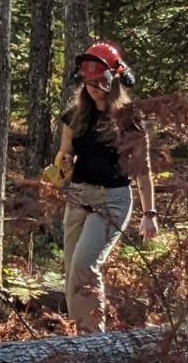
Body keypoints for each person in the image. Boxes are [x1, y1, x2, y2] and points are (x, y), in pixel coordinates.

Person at [55, 42, 159, 333]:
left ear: (114, 81)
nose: (93, 88)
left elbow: (143, 170)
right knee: (71, 270)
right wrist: (61, 167)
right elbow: (65, 155)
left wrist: (149, 212)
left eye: (99, 82)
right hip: (78, 195)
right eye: (88, 82)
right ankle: (79, 337)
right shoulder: (74, 116)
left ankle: (93, 340)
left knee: (85, 265)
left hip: (112, 199)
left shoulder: (130, 120)